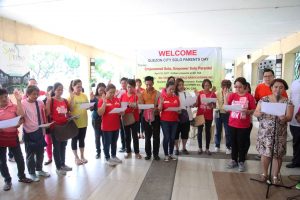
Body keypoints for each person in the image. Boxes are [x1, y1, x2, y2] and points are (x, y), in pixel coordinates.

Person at [254, 79, 293, 183]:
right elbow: (255, 112)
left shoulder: (287, 101)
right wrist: (260, 113)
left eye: (281, 87)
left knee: (278, 155)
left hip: (279, 133)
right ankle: (265, 174)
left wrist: (284, 118)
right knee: (265, 153)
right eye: (276, 87)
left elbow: (289, 117)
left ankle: (275, 176)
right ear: (271, 88)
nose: (278, 89)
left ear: (284, 89)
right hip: (265, 132)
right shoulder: (264, 100)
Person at [0, 88, 32, 191]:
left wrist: (18, 101)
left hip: (13, 136)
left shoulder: (13, 106)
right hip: (0, 138)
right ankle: (7, 180)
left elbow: (22, 116)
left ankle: (22, 176)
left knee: (19, 158)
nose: (4, 99)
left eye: (5, 96)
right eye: (1, 98)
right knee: (1, 161)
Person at [225, 77, 256, 172]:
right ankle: (234, 159)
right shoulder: (232, 96)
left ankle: (241, 161)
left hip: (243, 125)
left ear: (245, 86)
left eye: (240, 87)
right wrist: (225, 97)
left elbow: (254, 109)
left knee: (241, 143)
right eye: (236, 87)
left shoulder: (249, 96)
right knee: (233, 142)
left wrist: (247, 111)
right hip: (232, 123)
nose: (238, 89)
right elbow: (226, 108)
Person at [22, 85, 50, 181]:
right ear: (28, 94)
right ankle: (32, 173)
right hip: (29, 132)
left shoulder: (40, 102)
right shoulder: (23, 103)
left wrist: (49, 100)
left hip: (40, 130)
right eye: (34, 94)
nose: (36, 96)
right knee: (30, 154)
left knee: (40, 152)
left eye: (37, 94)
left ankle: (39, 169)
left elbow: (45, 113)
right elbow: (21, 116)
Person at [46, 82, 72, 176]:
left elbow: (69, 111)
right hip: (55, 127)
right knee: (56, 147)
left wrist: (71, 116)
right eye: (58, 89)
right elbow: (48, 113)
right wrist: (48, 101)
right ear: (54, 90)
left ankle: (63, 164)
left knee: (63, 146)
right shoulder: (51, 100)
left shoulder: (65, 100)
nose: (60, 91)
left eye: (61, 89)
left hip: (64, 126)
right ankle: (58, 167)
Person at [97, 84, 123, 166]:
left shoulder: (117, 99)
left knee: (114, 142)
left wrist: (121, 112)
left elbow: (120, 111)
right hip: (107, 126)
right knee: (107, 143)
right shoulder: (102, 100)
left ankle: (114, 156)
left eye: (114, 92)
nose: (112, 94)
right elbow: (100, 113)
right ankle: (107, 157)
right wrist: (104, 103)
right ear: (106, 92)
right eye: (110, 92)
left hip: (116, 125)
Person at [68, 79, 89, 165]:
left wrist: (89, 106)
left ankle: (82, 156)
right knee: (74, 140)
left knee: (82, 139)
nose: (80, 88)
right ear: (73, 87)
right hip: (74, 123)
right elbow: (71, 109)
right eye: (78, 86)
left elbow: (87, 107)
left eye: (81, 86)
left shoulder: (84, 95)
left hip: (84, 121)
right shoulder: (70, 97)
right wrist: (72, 99)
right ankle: (76, 158)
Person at [120, 79, 142, 159]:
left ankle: (137, 152)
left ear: (134, 87)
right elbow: (120, 105)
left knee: (135, 136)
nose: (130, 89)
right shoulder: (123, 95)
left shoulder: (137, 96)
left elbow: (140, 105)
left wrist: (134, 105)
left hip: (135, 118)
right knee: (127, 136)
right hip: (125, 117)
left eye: (132, 87)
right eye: (128, 87)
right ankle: (128, 151)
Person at [158, 81, 180, 161]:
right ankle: (166, 154)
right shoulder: (162, 97)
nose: (172, 91)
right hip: (165, 121)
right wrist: (161, 103)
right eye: (170, 89)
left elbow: (179, 109)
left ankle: (171, 153)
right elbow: (159, 109)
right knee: (166, 137)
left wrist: (178, 111)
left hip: (174, 121)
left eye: (173, 89)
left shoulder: (176, 97)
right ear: (166, 88)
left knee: (172, 138)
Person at [140, 76, 161, 160]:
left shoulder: (158, 93)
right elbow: (140, 105)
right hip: (145, 117)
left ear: (153, 83)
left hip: (155, 116)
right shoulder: (142, 93)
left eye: (150, 84)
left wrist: (156, 108)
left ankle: (156, 154)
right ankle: (148, 154)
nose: (148, 86)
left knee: (156, 136)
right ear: (145, 83)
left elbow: (160, 105)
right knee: (147, 137)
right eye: (147, 84)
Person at [196, 79, 217, 155]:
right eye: (205, 85)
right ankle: (200, 148)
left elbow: (214, 106)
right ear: (203, 85)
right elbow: (196, 104)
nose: (206, 87)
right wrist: (195, 97)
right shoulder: (200, 93)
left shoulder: (213, 94)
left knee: (208, 131)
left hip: (208, 115)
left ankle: (207, 148)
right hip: (200, 114)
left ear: (210, 86)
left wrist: (211, 105)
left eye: (208, 85)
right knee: (199, 131)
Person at [174, 78, 192, 155]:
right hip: (176, 116)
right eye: (179, 85)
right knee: (176, 133)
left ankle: (184, 148)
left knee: (185, 133)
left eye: (182, 84)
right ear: (176, 86)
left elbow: (191, 103)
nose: (181, 86)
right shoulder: (174, 94)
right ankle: (176, 148)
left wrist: (192, 102)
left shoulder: (187, 93)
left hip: (186, 116)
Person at [215, 80, 232, 154]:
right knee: (218, 130)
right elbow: (215, 103)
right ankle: (217, 145)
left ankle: (228, 147)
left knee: (227, 131)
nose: (225, 88)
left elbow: (228, 105)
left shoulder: (231, 94)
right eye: (223, 86)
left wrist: (225, 95)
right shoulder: (217, 93)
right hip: (218, 113)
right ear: (221, 86)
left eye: (227, 86)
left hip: (226, 114)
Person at [286, 78, 300, 168]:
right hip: (294, 118)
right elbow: (291, 98)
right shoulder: (295, 82)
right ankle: (296, 161)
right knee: (296, 140)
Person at [90, 83, 106, 159]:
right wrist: (91, 100)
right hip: (96, 119)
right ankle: (98, 152)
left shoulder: (106, 97)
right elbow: (91, 109)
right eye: (100, 90)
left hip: (105, 119)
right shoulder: (94, 97)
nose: (102, 91)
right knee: (97, 136)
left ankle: (105, 151)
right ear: (97, 89)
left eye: (103, 90)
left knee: (104, 136)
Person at [116, 77, 128, 152]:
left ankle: (128, 146)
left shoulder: (129, 91)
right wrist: (116, 95)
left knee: (127, 131)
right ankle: (123, 146)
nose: (123, 84)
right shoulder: (118, 92)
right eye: (122, 83)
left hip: (127, 114)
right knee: (122, 131)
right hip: (120, 114)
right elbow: (116, 102)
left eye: (125, 83)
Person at [43, 86, 53, 165]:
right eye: (49, 92)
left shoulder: (57, 100)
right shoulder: (43, 101)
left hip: (57, 125)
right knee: (48, 142)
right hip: (48, 125)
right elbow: (46, 113)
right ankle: (49, 157)